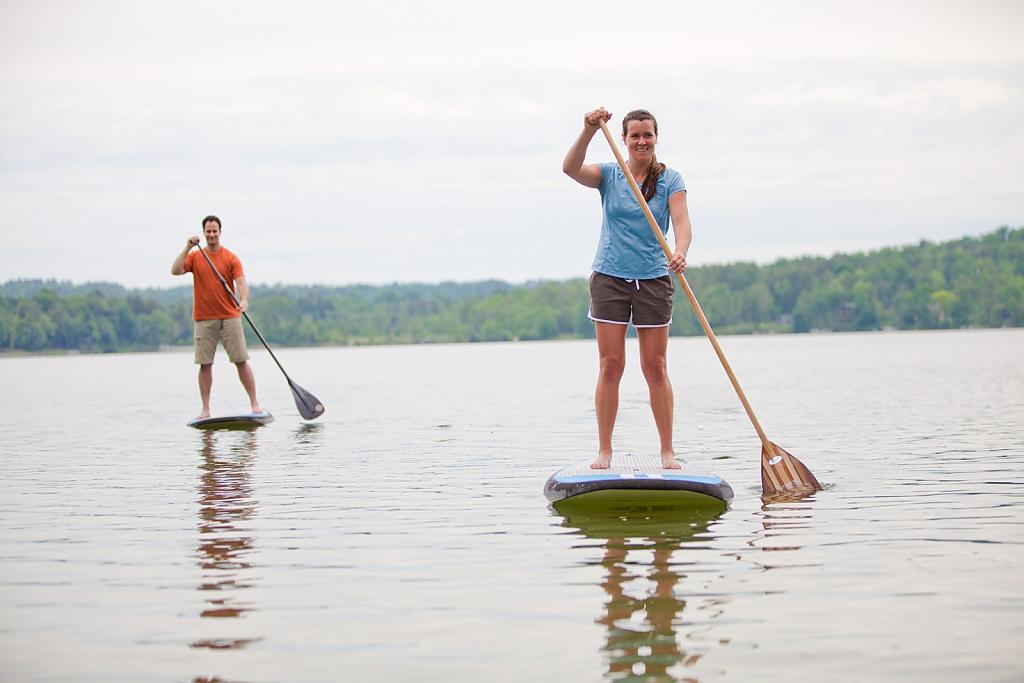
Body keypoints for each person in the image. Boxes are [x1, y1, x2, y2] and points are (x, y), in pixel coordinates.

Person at [562, 108, 692, 469]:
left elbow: (681, 222)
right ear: (624, 139)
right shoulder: (609, 174)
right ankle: (605, 450)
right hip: (609, 277)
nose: (641, 141)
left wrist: (680, 252)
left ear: (655, 137)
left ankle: (667, 451)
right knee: (611, 365)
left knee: (655, 366)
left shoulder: (670, 180)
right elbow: (570, 169)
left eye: (647, 135)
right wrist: (587, 130)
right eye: (634, 135)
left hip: (653, 278)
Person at [171, 215, 263, 420]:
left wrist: (244, 300)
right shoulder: (195, 257)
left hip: (230, 316)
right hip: (204, 319)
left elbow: (241, 282)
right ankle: (205, 409)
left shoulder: (230, 257)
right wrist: (187, 247)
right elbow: (175, 271)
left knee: (241, 360)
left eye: (215, 231)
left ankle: (255, 403)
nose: (211, 235)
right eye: (208, 231)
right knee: (205, 364)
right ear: (204, 233)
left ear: (220, 232)